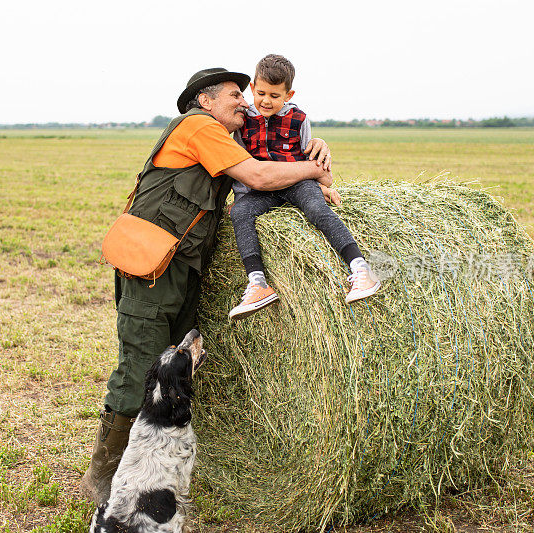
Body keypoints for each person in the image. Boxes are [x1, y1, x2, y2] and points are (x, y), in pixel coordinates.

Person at [80, 67, 333, 505]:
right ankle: (100, 478)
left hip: (184, 270)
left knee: (177, 368)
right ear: (206, 101)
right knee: (141, 368)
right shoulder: (198, 127)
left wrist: (315, 148)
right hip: (151, 269)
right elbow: (257, 176)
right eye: (237, 95)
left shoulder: (224, 140)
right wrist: (312, 170)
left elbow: (272, 158)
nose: (246, 101)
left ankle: (153, 469)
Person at [227, 54, 380, 321]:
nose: (266, 100)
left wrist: (322, 187)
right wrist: (241, 198)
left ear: (289, 94)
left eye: (275, 95)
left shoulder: (299, 119)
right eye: (261, 93)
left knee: (316, 210)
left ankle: (360, 269)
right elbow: (241, 164)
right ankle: (258, 283)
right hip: (259, 191)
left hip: (296, 184)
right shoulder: (244, 122)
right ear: (252, 89)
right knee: (240, 214)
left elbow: (312, 160)